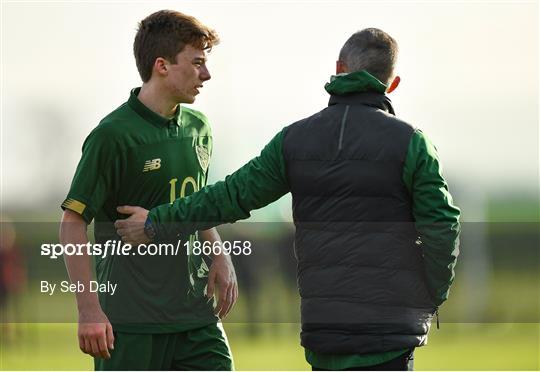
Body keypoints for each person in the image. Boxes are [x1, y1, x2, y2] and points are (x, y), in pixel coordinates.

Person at [115, 28, 461, 371]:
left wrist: (155, 222)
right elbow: (442, 227)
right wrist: (431, 295)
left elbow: (229, 196)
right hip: (391, 334)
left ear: (339, 69)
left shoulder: (293, 141)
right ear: (392, 83)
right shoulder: (412, 143)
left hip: (324, 333)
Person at [59, 10, 237, 371]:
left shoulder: (198, 127)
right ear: (162, 65)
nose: (206, 74)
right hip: (131, 322)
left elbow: (195, 204)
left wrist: (219, 254)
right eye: (197, 62)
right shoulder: (113, 136)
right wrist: (88, 308)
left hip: (196, 316)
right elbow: (72, 223)